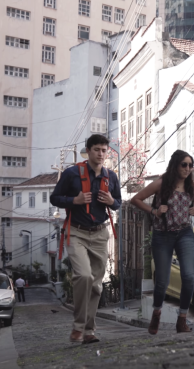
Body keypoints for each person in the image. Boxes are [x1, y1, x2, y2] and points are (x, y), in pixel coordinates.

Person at [50, 134, 121, 344]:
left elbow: (118, 202)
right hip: (76, 232)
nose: (100, 154)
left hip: (100, 234)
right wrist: (75, 200)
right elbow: (55, 197)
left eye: (104, 150)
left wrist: (111, 201)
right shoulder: (72, 174)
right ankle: (78, 326)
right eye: (96, 150)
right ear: (88, 151)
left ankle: (89, 331)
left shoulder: (111, 177)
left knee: (97, 286)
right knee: (84, 276)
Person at [131, 150, 194, 335]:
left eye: (190, 165)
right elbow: (136, 199)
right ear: (175, 165)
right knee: (162, 281)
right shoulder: (162, 184)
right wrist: (154, 211)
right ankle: (156, 314)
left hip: (185, 233)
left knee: (188, 276)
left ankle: (182, 320)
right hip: (162, 235)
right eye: (184, 164)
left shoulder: (191, 185)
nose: (187, 168)